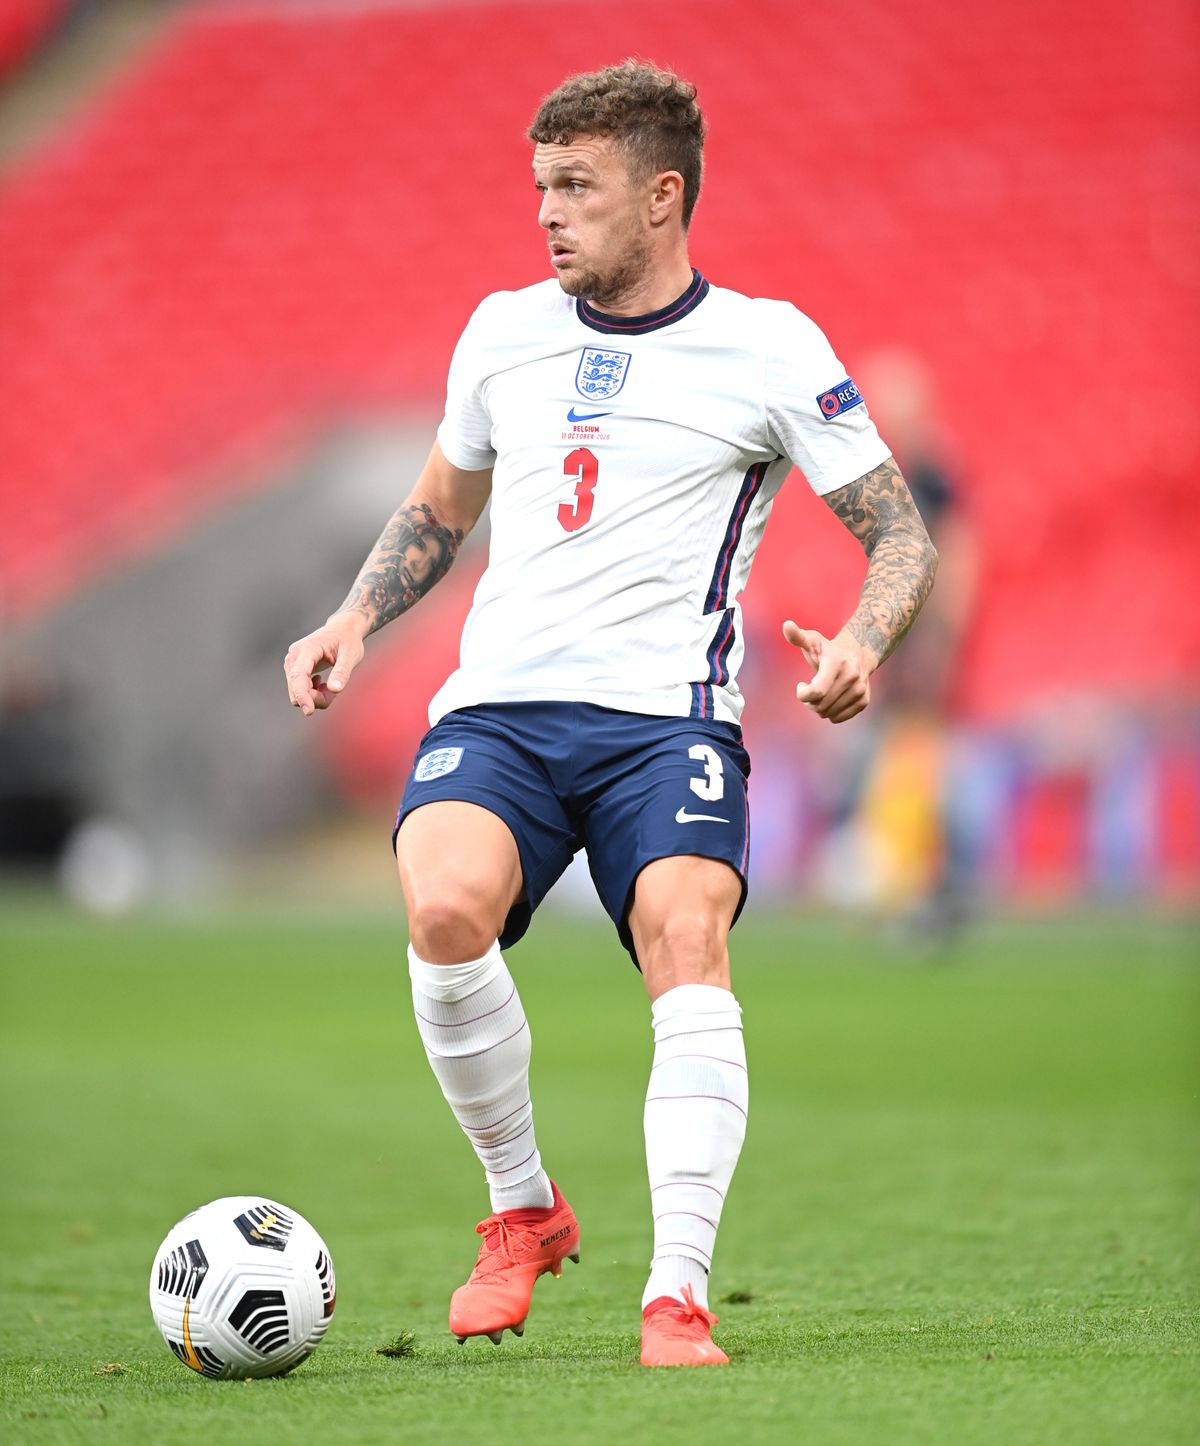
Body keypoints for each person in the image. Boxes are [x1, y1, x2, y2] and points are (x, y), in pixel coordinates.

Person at [284, 61, 937, 1368]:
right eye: (540, 187)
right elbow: (438, 507)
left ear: (662, 195)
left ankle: (676, 1295)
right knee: (440, 908)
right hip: (507, 710)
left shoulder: (767, 347)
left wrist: (865, 640)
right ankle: (522, 1204)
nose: (548, 213)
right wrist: (356, 616)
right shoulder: (501, 333)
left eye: (575, 187)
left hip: (668, 725)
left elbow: (899, 535)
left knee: (684, 933)